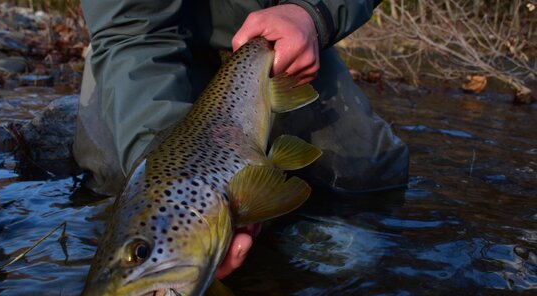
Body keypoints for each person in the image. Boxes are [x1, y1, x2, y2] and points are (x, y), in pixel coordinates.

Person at [73, 0, 409, 278]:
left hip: (277, 42)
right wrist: (160, 158)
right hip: (141, 49)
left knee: (367, 172)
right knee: (113, 173)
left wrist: (315, 13)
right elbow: (131, 30)